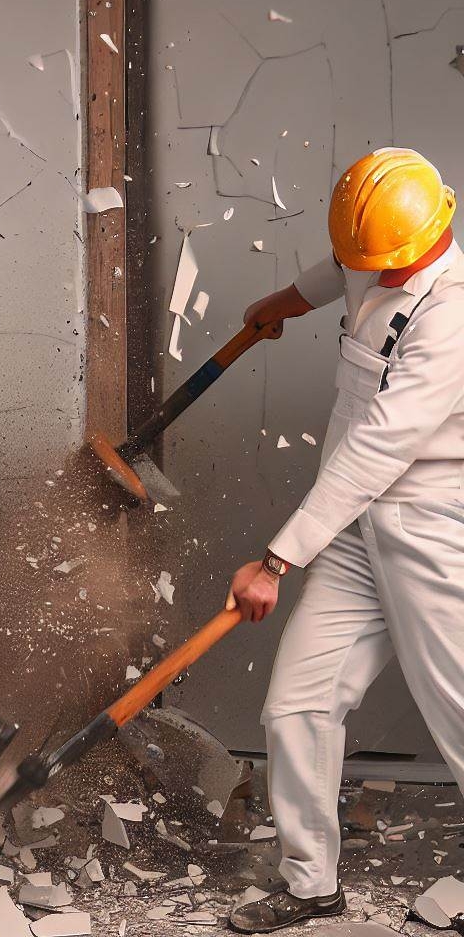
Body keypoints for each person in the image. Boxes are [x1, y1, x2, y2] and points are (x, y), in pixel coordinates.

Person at [226, 148, 464, 932]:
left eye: (383, 267)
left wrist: (276, 560)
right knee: (296, 702)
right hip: (357, 523)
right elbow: (339, 268)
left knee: (460, 716)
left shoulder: (452, 315)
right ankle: (309, 886)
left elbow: (377, 447)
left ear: (434, 236)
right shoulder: (376, 245)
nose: (372, 275)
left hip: (430, 525)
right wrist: (284, 300)